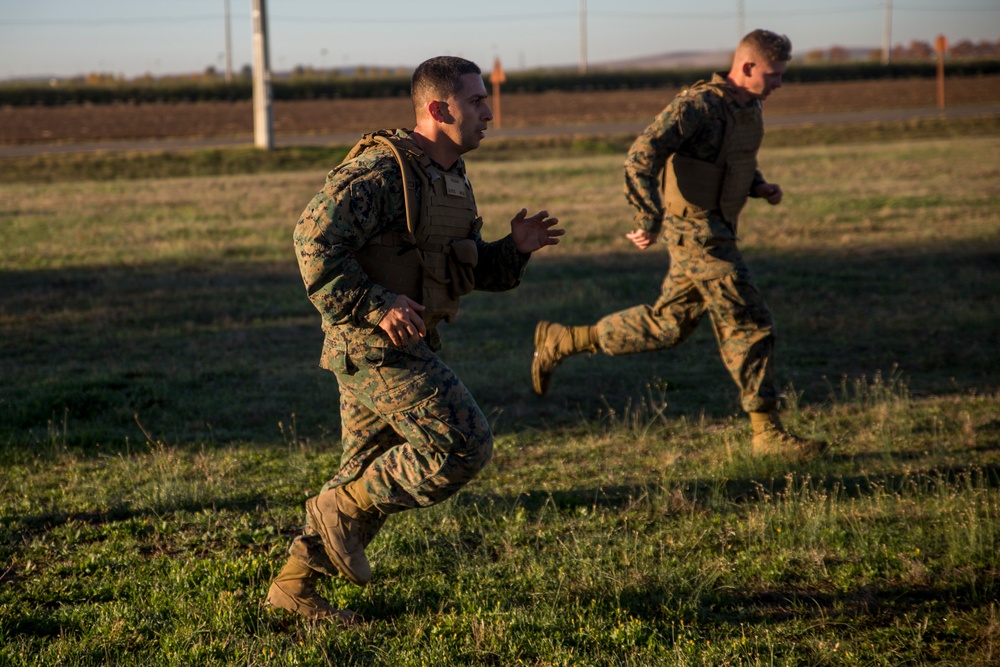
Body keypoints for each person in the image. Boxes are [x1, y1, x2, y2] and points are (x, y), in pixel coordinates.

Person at [265, 56, 562, 623]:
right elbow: (311, 242)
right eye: (476, 102)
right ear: (437, 108)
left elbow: (459, 271)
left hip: (406, 343)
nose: (488, 113)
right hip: (372, 347)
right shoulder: (382, 173)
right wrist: (377, 307)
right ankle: (335, 509)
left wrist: (513, 250)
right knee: (461, 443)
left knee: (370, 468)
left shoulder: (449, 180)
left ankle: (294, 585)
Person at [531, 30, 826, 460]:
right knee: (748, 320)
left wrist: (760, 186)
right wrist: (647, 217)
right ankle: (766, 432)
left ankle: (563, 340)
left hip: (719, 227)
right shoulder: (698, 104)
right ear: (746, 67)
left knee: (669, 324)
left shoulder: (748, 106)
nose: (780, 83)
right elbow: (641, 155)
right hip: (697, 232)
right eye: (774, 74)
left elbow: (730, 157)